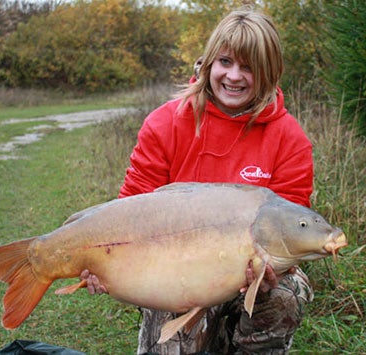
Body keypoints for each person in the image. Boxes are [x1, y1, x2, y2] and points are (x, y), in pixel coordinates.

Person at [81, 8, 314, 354]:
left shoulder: (290, 139)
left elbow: (293, 228)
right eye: (225, 61)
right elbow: (129, 208)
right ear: (207, 63)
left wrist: (271, 272)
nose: (234, 76)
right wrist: (100, 261)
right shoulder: (165, 123)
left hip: (249, 274)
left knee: (285, 294)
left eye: (248, 67)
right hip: (174, 271)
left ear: (269, 73)